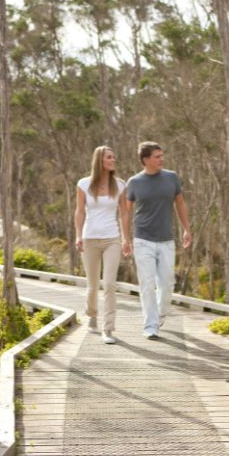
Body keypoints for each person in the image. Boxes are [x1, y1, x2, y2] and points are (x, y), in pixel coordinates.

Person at [123, 141, 192, 340]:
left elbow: (180, 204)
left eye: (162, 155)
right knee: (146, 284)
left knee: (167, 282)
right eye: (157, 156)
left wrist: (187, 229)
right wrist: (125, 238)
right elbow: (126, 213)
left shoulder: (171, 178)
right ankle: (150, 325)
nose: (162, 159)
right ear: (146, 160)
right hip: (142, 239)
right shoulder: (134, 182)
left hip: (166, 240)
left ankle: (161, 313)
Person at [75, 146, 129, 344]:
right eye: (109, 157)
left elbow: (124, 213)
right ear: (100, 160)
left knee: (109, 284)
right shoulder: (83, 184)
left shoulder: (120, 185)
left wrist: (125, 239)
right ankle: (91, 315)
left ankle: (108, 329)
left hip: (111, 239)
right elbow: (79, 212)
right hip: (89, 239)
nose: (113, 160)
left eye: (114, 157)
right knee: (92, 286)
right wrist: (78, 236)